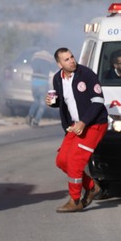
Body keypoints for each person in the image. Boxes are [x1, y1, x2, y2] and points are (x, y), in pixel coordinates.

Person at [46, 48, 108, 213]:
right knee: (62, 160)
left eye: (72, 57)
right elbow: (61, 101)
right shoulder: (57, 79)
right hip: (74, 126)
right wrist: (52, 102)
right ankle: (92, 187)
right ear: (59, 64)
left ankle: (75, 200)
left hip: (94, 124)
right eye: (66, 59)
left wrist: (84, 122)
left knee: (75, 160)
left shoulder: (86, 74)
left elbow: (98, 101)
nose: (71, 61)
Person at [27, 50, 55, 128]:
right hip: (43, 82)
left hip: (34, 82)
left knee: (36, 100)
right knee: (43, 104)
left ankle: (30, 115)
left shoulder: (35, 57)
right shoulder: (49, 59)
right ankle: (36, 121)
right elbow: (53, 69)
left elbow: (31, 65)